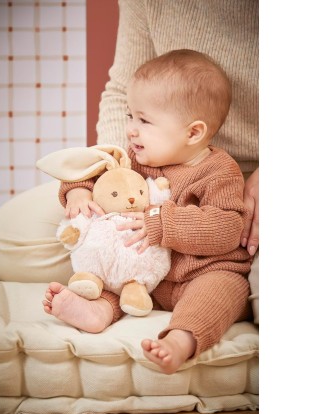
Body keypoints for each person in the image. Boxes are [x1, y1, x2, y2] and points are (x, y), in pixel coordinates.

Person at [43, 49, 253, 374]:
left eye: (144, 120)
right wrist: (78, 192)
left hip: (203, 271)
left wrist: (163, 222)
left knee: (220, 292)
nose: (130, 129)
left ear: (193, 132)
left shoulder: (219, 170)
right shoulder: (135, 159)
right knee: (118, 278)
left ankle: (181, 340)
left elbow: (226, 228)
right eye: (130, 116)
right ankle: (99, 311)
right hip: (149, 277)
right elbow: (93, 170)